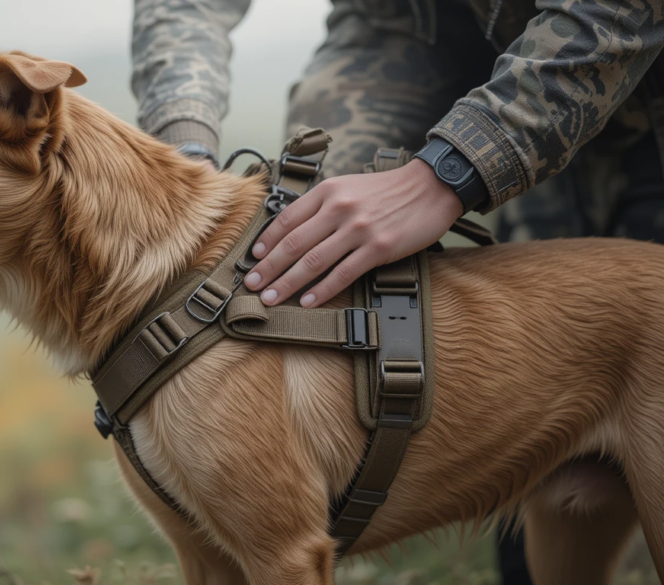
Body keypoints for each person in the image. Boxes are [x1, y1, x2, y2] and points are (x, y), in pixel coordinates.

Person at [131, 0, 664, 578]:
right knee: (311, 247)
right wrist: (185, 155)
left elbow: (616, 14)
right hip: (412, 28)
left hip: (617, 43)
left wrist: (447, 174)